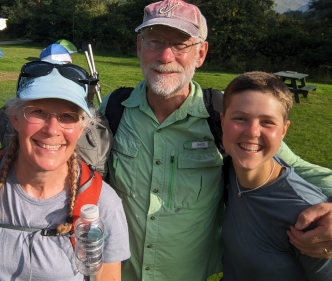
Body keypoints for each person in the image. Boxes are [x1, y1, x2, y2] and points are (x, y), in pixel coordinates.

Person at [98, 0, 332, 280]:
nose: (165, 55)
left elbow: (305, 171)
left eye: (181, 44)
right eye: (154, 41)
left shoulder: (222, 117)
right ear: (139, 47)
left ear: (200, 54)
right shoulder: (113, 108)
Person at [0, 60, 130, 281]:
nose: (52, 130)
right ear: (15, 118)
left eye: (67, 116)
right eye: (38, 112)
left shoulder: (103, 204)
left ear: (82, 126)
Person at [221, 71, 332, 281]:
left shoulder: (308, 218)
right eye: (240, 118)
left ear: (284, 131)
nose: (253, 132)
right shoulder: (229, 169)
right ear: (222, 120)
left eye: (267, 122)